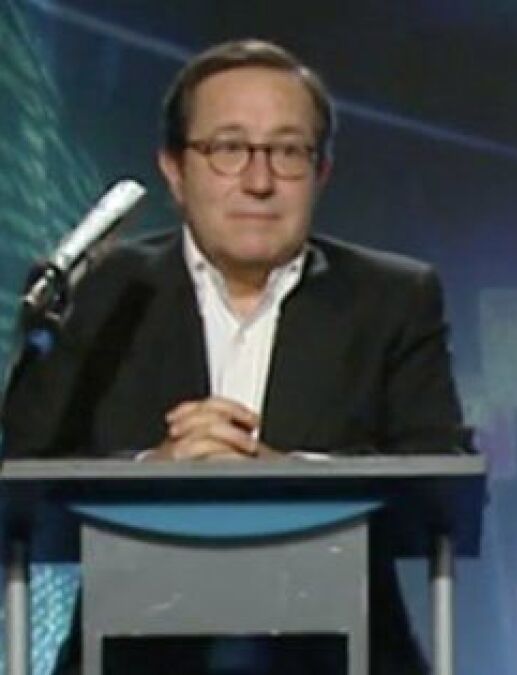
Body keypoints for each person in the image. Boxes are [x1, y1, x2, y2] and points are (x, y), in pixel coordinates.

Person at [1, 38, 472, 674]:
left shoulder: (392, 297)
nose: (258, 181)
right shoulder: (103, 291)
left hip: (340, 657)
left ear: (321, 173)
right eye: (227, 149)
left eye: (287, 152)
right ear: (174, 169)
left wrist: (286, 477)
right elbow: (26, 470)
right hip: (135, 656)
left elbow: (439, 478)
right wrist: (152, 471)